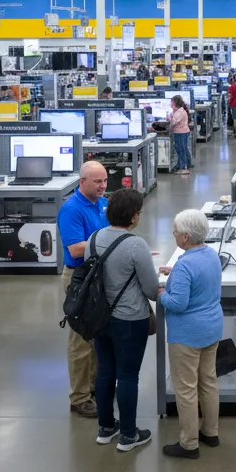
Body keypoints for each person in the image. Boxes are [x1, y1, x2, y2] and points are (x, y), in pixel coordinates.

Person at [90, 188, 157, 452]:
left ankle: (106, 428)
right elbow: (151, 289)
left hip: (99, 318)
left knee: (105, 371)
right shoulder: (135, 244)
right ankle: (129, 435)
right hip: (130, 319)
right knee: (128, 375)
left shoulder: (94, 238)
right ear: (133, 217)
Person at [157, 209, 223, 459]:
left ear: (185, 237)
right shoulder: (210, 255)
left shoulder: (185, 265)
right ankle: (211, 432)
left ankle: (189, 444)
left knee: (186, 388)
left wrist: (163, 294)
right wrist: (174, 273)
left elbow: (178, 304)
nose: (173, 234)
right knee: (208, 380)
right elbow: (199, 279)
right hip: (212, 328)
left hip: (187, 335)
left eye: (175, 231)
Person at [56, 160, 110, 418]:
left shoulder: (102, 202)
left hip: (99, 275)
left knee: (97, 335)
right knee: (80, 340)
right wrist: (111, 245)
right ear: (82, 182)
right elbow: (76, 249)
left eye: (105, 181)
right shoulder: (71, 209)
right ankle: (79, 398)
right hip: (80, 279)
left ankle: (93, 388)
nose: (102, 186)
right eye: (97, 182)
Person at [169, 95, 192, 176]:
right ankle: (186, 164)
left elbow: (174, 122)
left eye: (171, 102)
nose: (170, 104)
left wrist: (169, 120)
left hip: (180, 133)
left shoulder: (179, 112)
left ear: (175, 103)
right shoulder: (179, 111)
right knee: (183, 148)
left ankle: (183, 168)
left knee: (180, 150)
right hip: (182, 132)